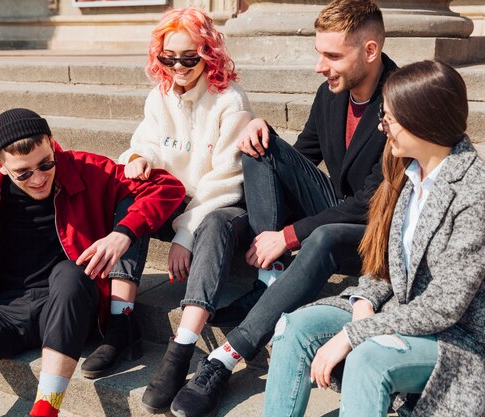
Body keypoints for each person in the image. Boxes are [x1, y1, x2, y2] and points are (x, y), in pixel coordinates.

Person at [170, 1, 397, 416]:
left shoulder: (400, 100)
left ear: (369, 51)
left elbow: (369, 203)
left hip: (380, 229)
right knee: (257, 142)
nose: (318, 66)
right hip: (336, 205)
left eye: (331, 55)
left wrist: (288, 236)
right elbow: (302, 157)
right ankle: (270, 280)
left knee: (323, 234)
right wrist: (261, 134)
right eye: (319, 53)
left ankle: (225, 357)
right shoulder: (331, 93)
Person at [264, 60, 485, 417]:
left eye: (390, 120)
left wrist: (355, 333)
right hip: (398, 312)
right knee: (294, 328)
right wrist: (364, 298)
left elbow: (444, 306)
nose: (383, 128)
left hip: (462, 337)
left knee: (369, 358)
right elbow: (383, 264)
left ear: (423, 120)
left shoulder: (478, 192)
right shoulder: (409, 174)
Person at [0, 108, 185, 417]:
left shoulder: (86, 170)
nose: (38, 178)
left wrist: (123, 234)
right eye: (23, 172)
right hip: (4, 312)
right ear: (0, 165)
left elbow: (167, 187)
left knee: (69, 272)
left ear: (51, 142)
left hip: (70, 305)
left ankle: (46, 409)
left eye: (45, 164)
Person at [78, 7, 253, 414]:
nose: (177, 66)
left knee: (212, 223)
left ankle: (181, 351)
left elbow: (225, 181)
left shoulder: (230, 100)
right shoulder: (160, 95)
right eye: (167, 57)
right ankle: (122, 324)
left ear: (208, 53)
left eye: (188, 57)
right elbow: (150, 141)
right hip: (175, 199)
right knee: (132, 198)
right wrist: (140, 157)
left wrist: (184, 233)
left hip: (222, 206)